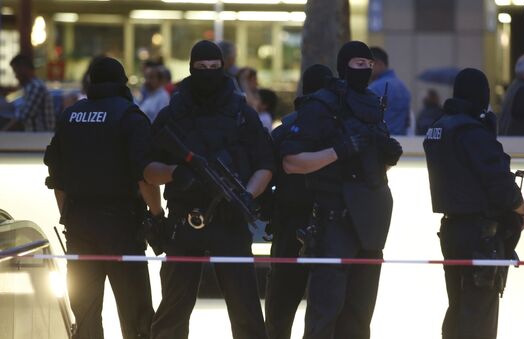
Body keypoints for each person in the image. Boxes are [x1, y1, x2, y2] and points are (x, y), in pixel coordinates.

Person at [143, 40, 274, 339]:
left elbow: (266, 165)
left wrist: (246, 195)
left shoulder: (242, 113)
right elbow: (148, 171)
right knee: (172, 311)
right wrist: (176, 173)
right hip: (183, 218)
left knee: (246, 312)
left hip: (230, 219)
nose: (208, 74)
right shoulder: (173, 114)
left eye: (215, 68)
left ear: (223, 68)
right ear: (190, 69)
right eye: (201, 69)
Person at [280, 41, 403, 339]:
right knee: (326, 312)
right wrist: (340, 150)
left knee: (359, 316)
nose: (365, 70)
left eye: (368, 64)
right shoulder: (322, 105)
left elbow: (369, 166)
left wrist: (384, 156)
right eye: (358, 64)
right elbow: (291, 162)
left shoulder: (373, 104)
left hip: (370, 223)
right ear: (343, 65)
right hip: (333, 222)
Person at [43, 57, 161, 339]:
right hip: (122, 226)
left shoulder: (71, 116)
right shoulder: (129, 115)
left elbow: (56, 178)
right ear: (121, 82)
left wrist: (69, 215)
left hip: (80, 226)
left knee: (85, 315)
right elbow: (144, 175)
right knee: (137, 315)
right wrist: (157, 217)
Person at [423, 68, 524, 339]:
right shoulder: (472, 131)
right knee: (479, 314)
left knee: (458, 307)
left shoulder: (438, 127)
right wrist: (521, 209)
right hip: (481, 235)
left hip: (451, 229)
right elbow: (498, 182)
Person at [264, 63, 333, 339]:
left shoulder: (286, 128)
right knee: (324, 307)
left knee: (280, 306)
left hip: (288, 223)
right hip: (327, 222)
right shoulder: (335, 127)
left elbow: (268, 174)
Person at [2, 54, 54, 131]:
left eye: (16, 71)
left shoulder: (36, 87)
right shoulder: (29, 87)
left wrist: (3, 132)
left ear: (24, 69)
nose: (15, 76)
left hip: (40, 138)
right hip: (35, 138)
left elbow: (23, 116)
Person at [368, 46, 411, 135]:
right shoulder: (403, 87)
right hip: (401, 141)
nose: (367, 69)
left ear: (379, 64)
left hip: (380, 141)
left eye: (370, 65)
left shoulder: (374, 88)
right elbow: (407, 122)